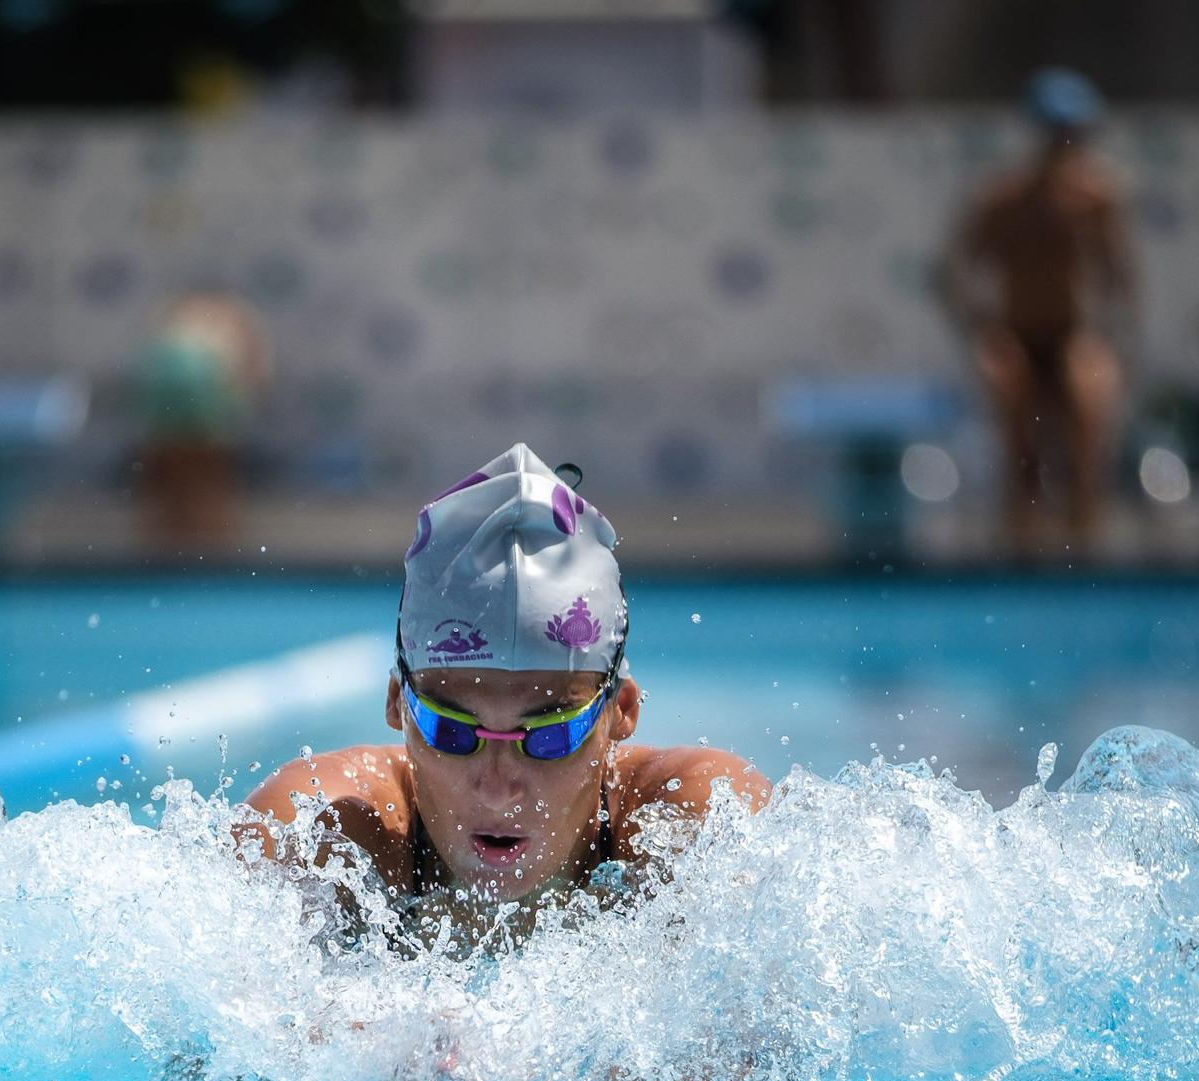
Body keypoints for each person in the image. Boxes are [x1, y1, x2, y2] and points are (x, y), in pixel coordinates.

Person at [240, 444, 772, 953]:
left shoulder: (696, 819)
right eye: (450, 731)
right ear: (399, 704)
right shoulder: (319, 830)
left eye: (550, 734)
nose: (497, 787)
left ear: (620, 712)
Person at [944, 68, 1137, 552]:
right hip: (1017, 334)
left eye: (1072, 135)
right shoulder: (1003, 199)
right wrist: (980, 330)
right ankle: (1019, 545)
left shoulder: (1095, 198)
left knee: (1088, 419)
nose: (1065, 145)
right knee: (1018, 435)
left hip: (1070, 332)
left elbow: (1118, 272)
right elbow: (955, 270)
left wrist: (1114, 334)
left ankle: (1084, 545)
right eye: (1058, 135)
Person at [133, 292, 269, 544]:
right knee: (202, 480)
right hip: (204, 412)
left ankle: (163, 542)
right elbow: (254, 375)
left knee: (171, 481)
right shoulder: (224, 324)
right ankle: (211, 541)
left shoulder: (177, 325)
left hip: (170, 414)